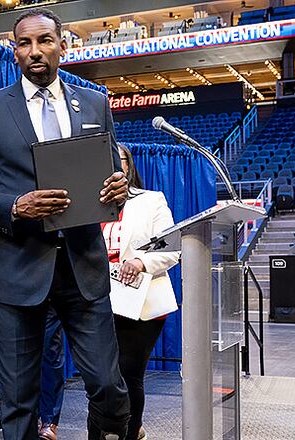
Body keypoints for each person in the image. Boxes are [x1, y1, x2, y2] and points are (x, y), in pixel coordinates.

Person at [0, 7, 131, 439]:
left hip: (83, 269)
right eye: (24, 43)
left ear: (62, 46)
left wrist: (118, 187)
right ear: (14, 51)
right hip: (18, 270)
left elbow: (111, 174)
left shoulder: (94, 102)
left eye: (44, 41)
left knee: (109, 387)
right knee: (18, 402)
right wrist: (16, 206)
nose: (35, 51)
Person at [106, 144, 180, 440]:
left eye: (118, 159)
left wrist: (140, 261)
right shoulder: (89, 205)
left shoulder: (151, 201)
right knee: (103, 378)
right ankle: (105, 431)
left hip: (144, 301)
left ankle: (131, 431)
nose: (111, 165)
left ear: (129, 166)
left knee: (128, 372)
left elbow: (171, 248)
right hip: (100, 301)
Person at [0, 222, 65, 440]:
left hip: (52, 285)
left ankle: (50, 420)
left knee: (50, 354)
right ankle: (25, 425)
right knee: (16, 365)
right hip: (12, 287)